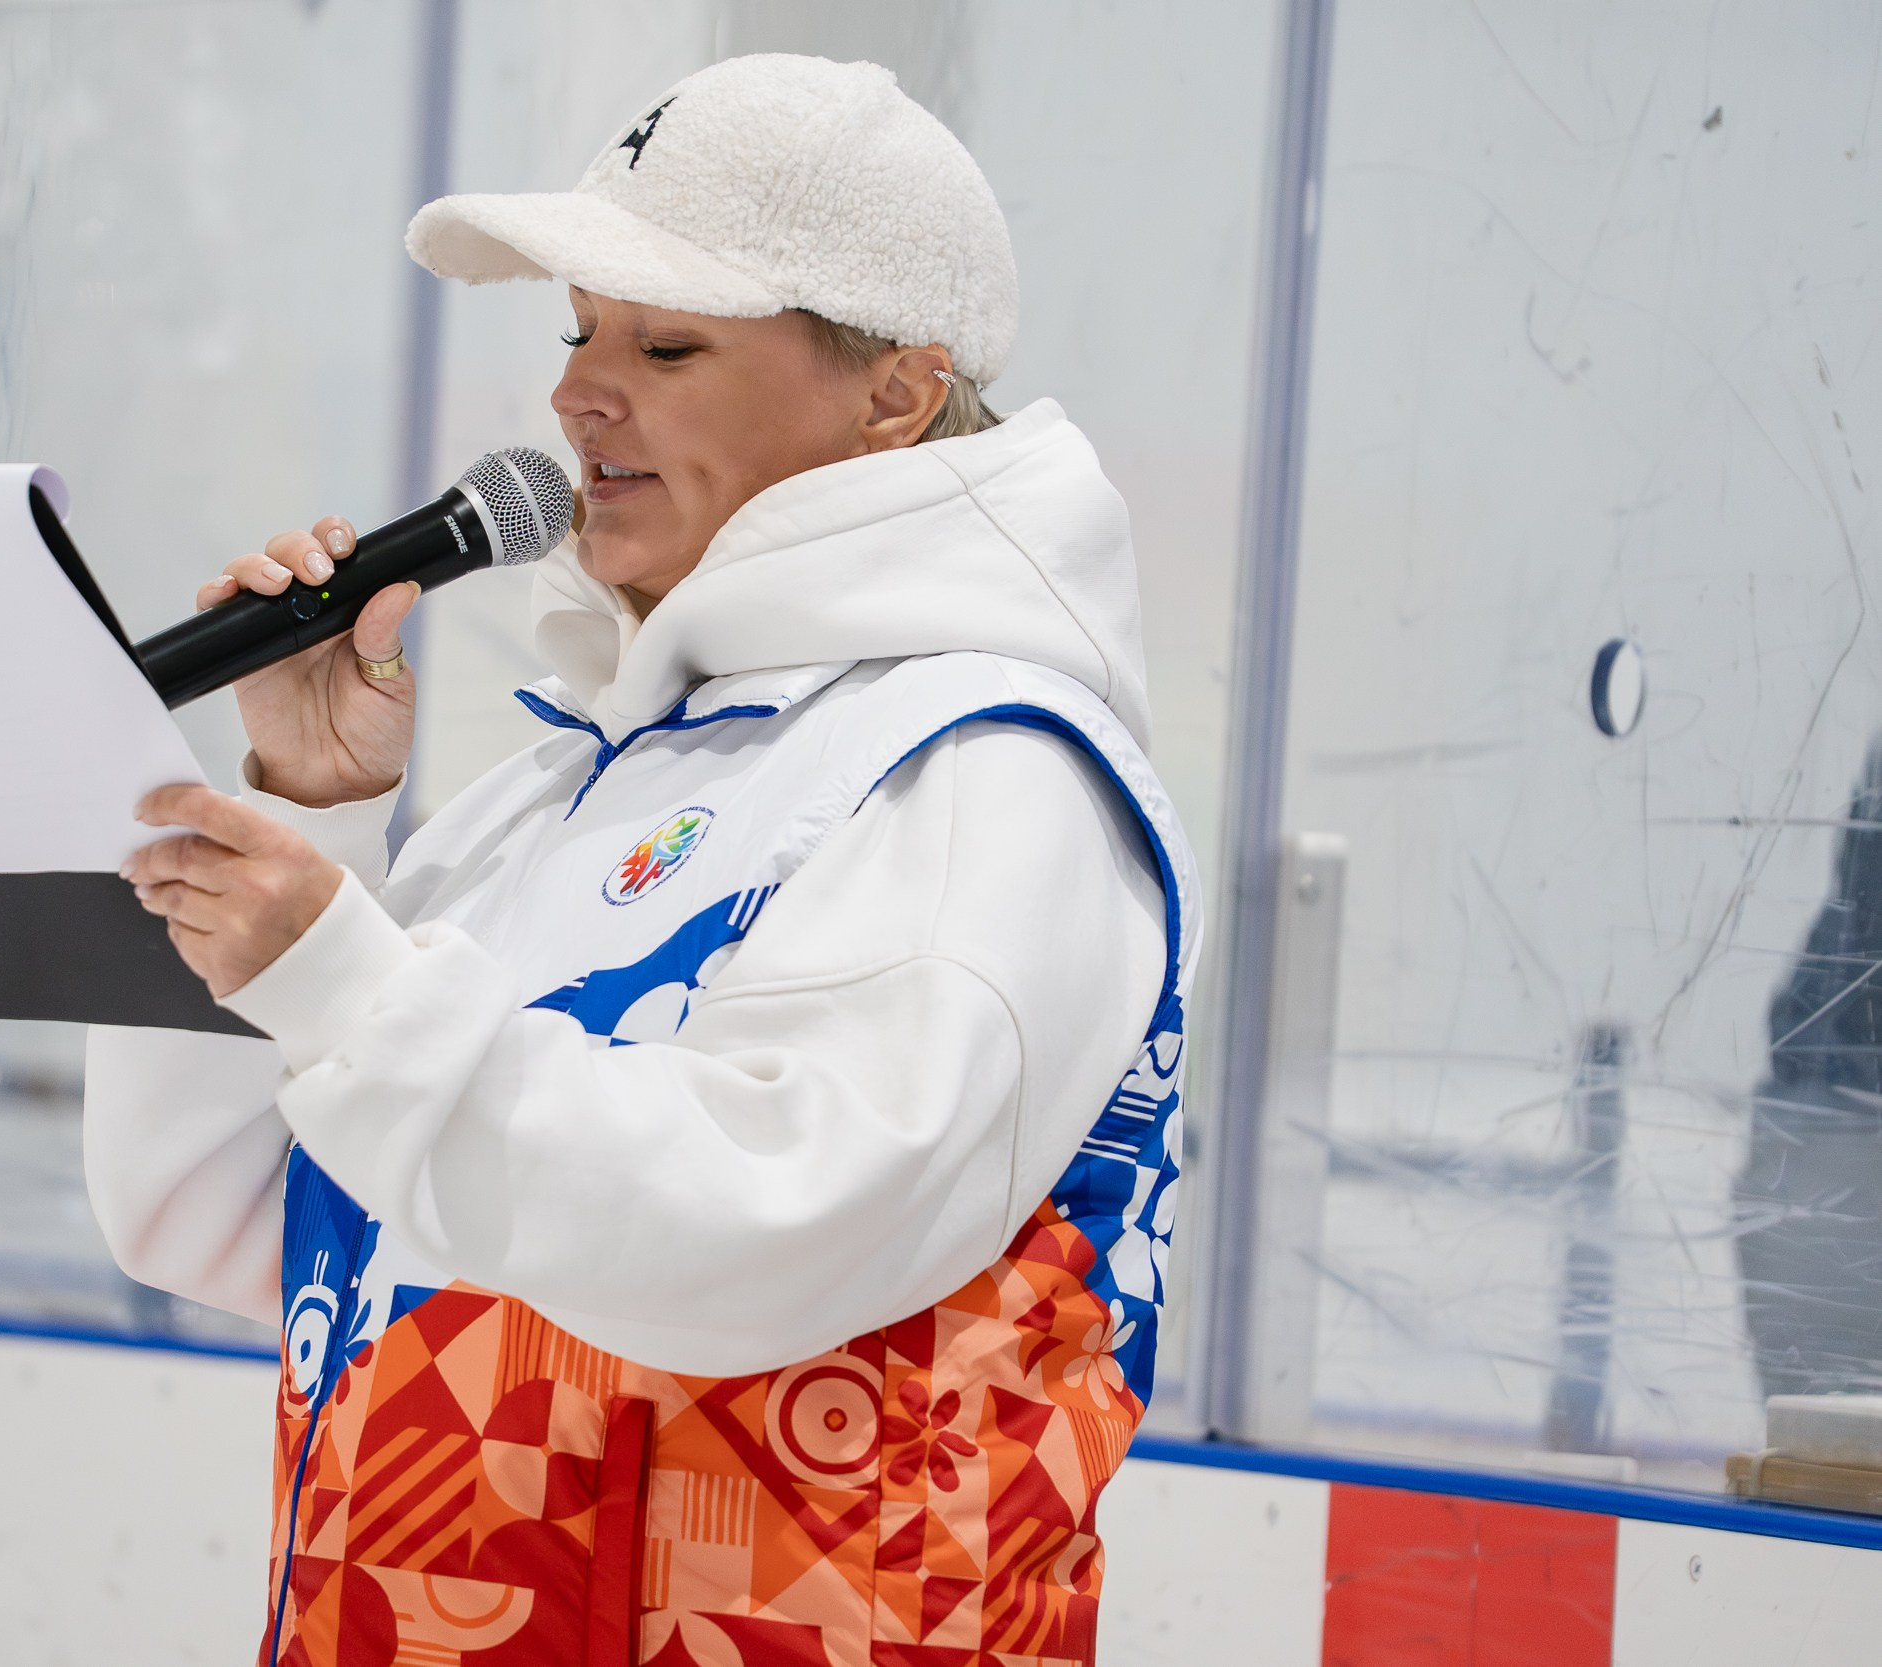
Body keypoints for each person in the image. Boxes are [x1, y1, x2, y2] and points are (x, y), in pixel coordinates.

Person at [85, 53, 1199, 1667]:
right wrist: (308, 812)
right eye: (576, 334)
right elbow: (208, 1211)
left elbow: (772, 1228)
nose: (577, 395)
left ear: (893, 393)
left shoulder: (985, 777)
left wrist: (349, 981)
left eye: (666, 345)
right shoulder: (546, 801)